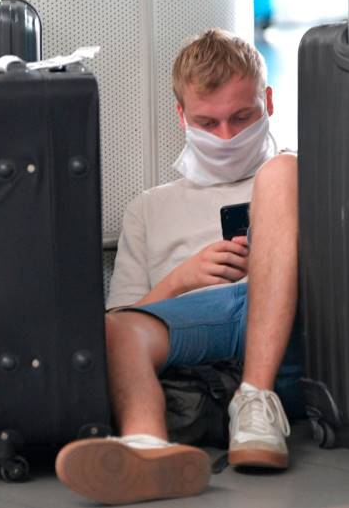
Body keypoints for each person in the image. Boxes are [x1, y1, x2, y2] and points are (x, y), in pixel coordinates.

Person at [54, 29, 302, 505]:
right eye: (208, 123)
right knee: (112, 332)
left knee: (282, 171)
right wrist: (181, 279)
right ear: (181, 116)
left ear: (268, 101)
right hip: (197, 338)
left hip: (284, 327)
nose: (226, 136)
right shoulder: (149, 208)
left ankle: (257, 398)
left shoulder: (289, 175)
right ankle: (147, 451)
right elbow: (121, 326)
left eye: (242, 117)